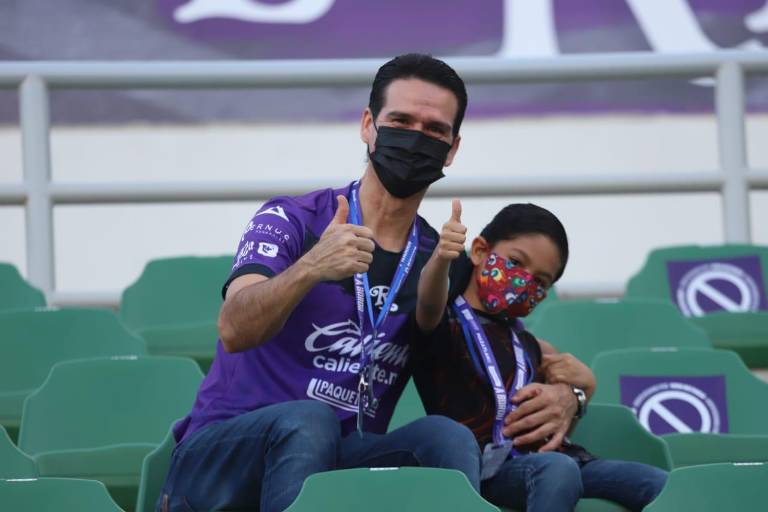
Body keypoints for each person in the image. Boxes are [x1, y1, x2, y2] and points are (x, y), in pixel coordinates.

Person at [156, 53, 482, 512]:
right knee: (310, 422)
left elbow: (491, 349)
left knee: (445, 439)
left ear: (451, 149)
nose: (415, 138)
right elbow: (234, 328)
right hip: (219, 462)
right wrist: (311, 267)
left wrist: (571, 391)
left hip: (337, 460)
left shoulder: (440, 261)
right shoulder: (292, 218)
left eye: (434, 130)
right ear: (368, 125)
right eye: (401, 121)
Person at [413, 202, 668, 512]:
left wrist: (582, 392)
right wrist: (443, 257)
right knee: (557, 470)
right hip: (485, 469)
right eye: (516, 262)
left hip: (555, 461)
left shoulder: (534, 347)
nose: (523, 281)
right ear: (479, 251)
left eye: (540, 281)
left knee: (660, 484)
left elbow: (556, 429)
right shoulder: (441, 322)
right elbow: (427, 303)